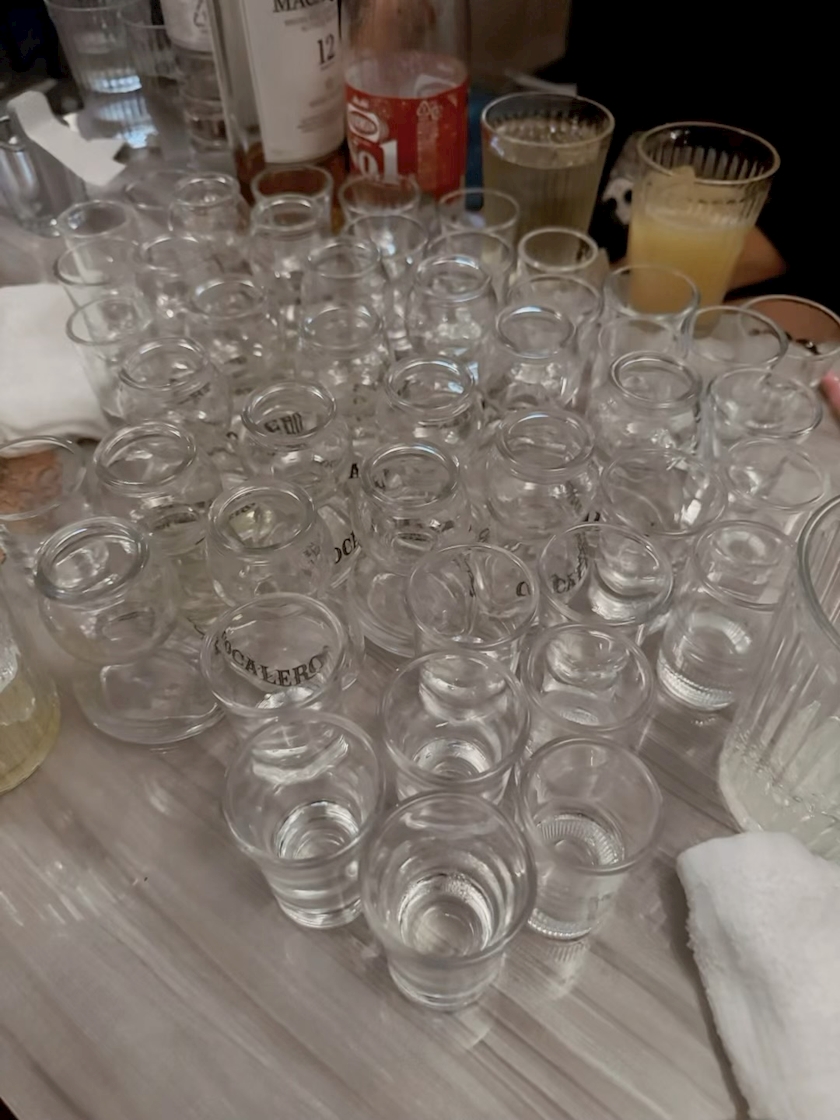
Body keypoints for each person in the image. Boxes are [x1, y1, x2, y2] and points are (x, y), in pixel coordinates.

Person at [541, 2, 836, 310]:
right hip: (607, 246)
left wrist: (622, 293)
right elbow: (595, 104)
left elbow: (795, 229)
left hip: (739, 287)